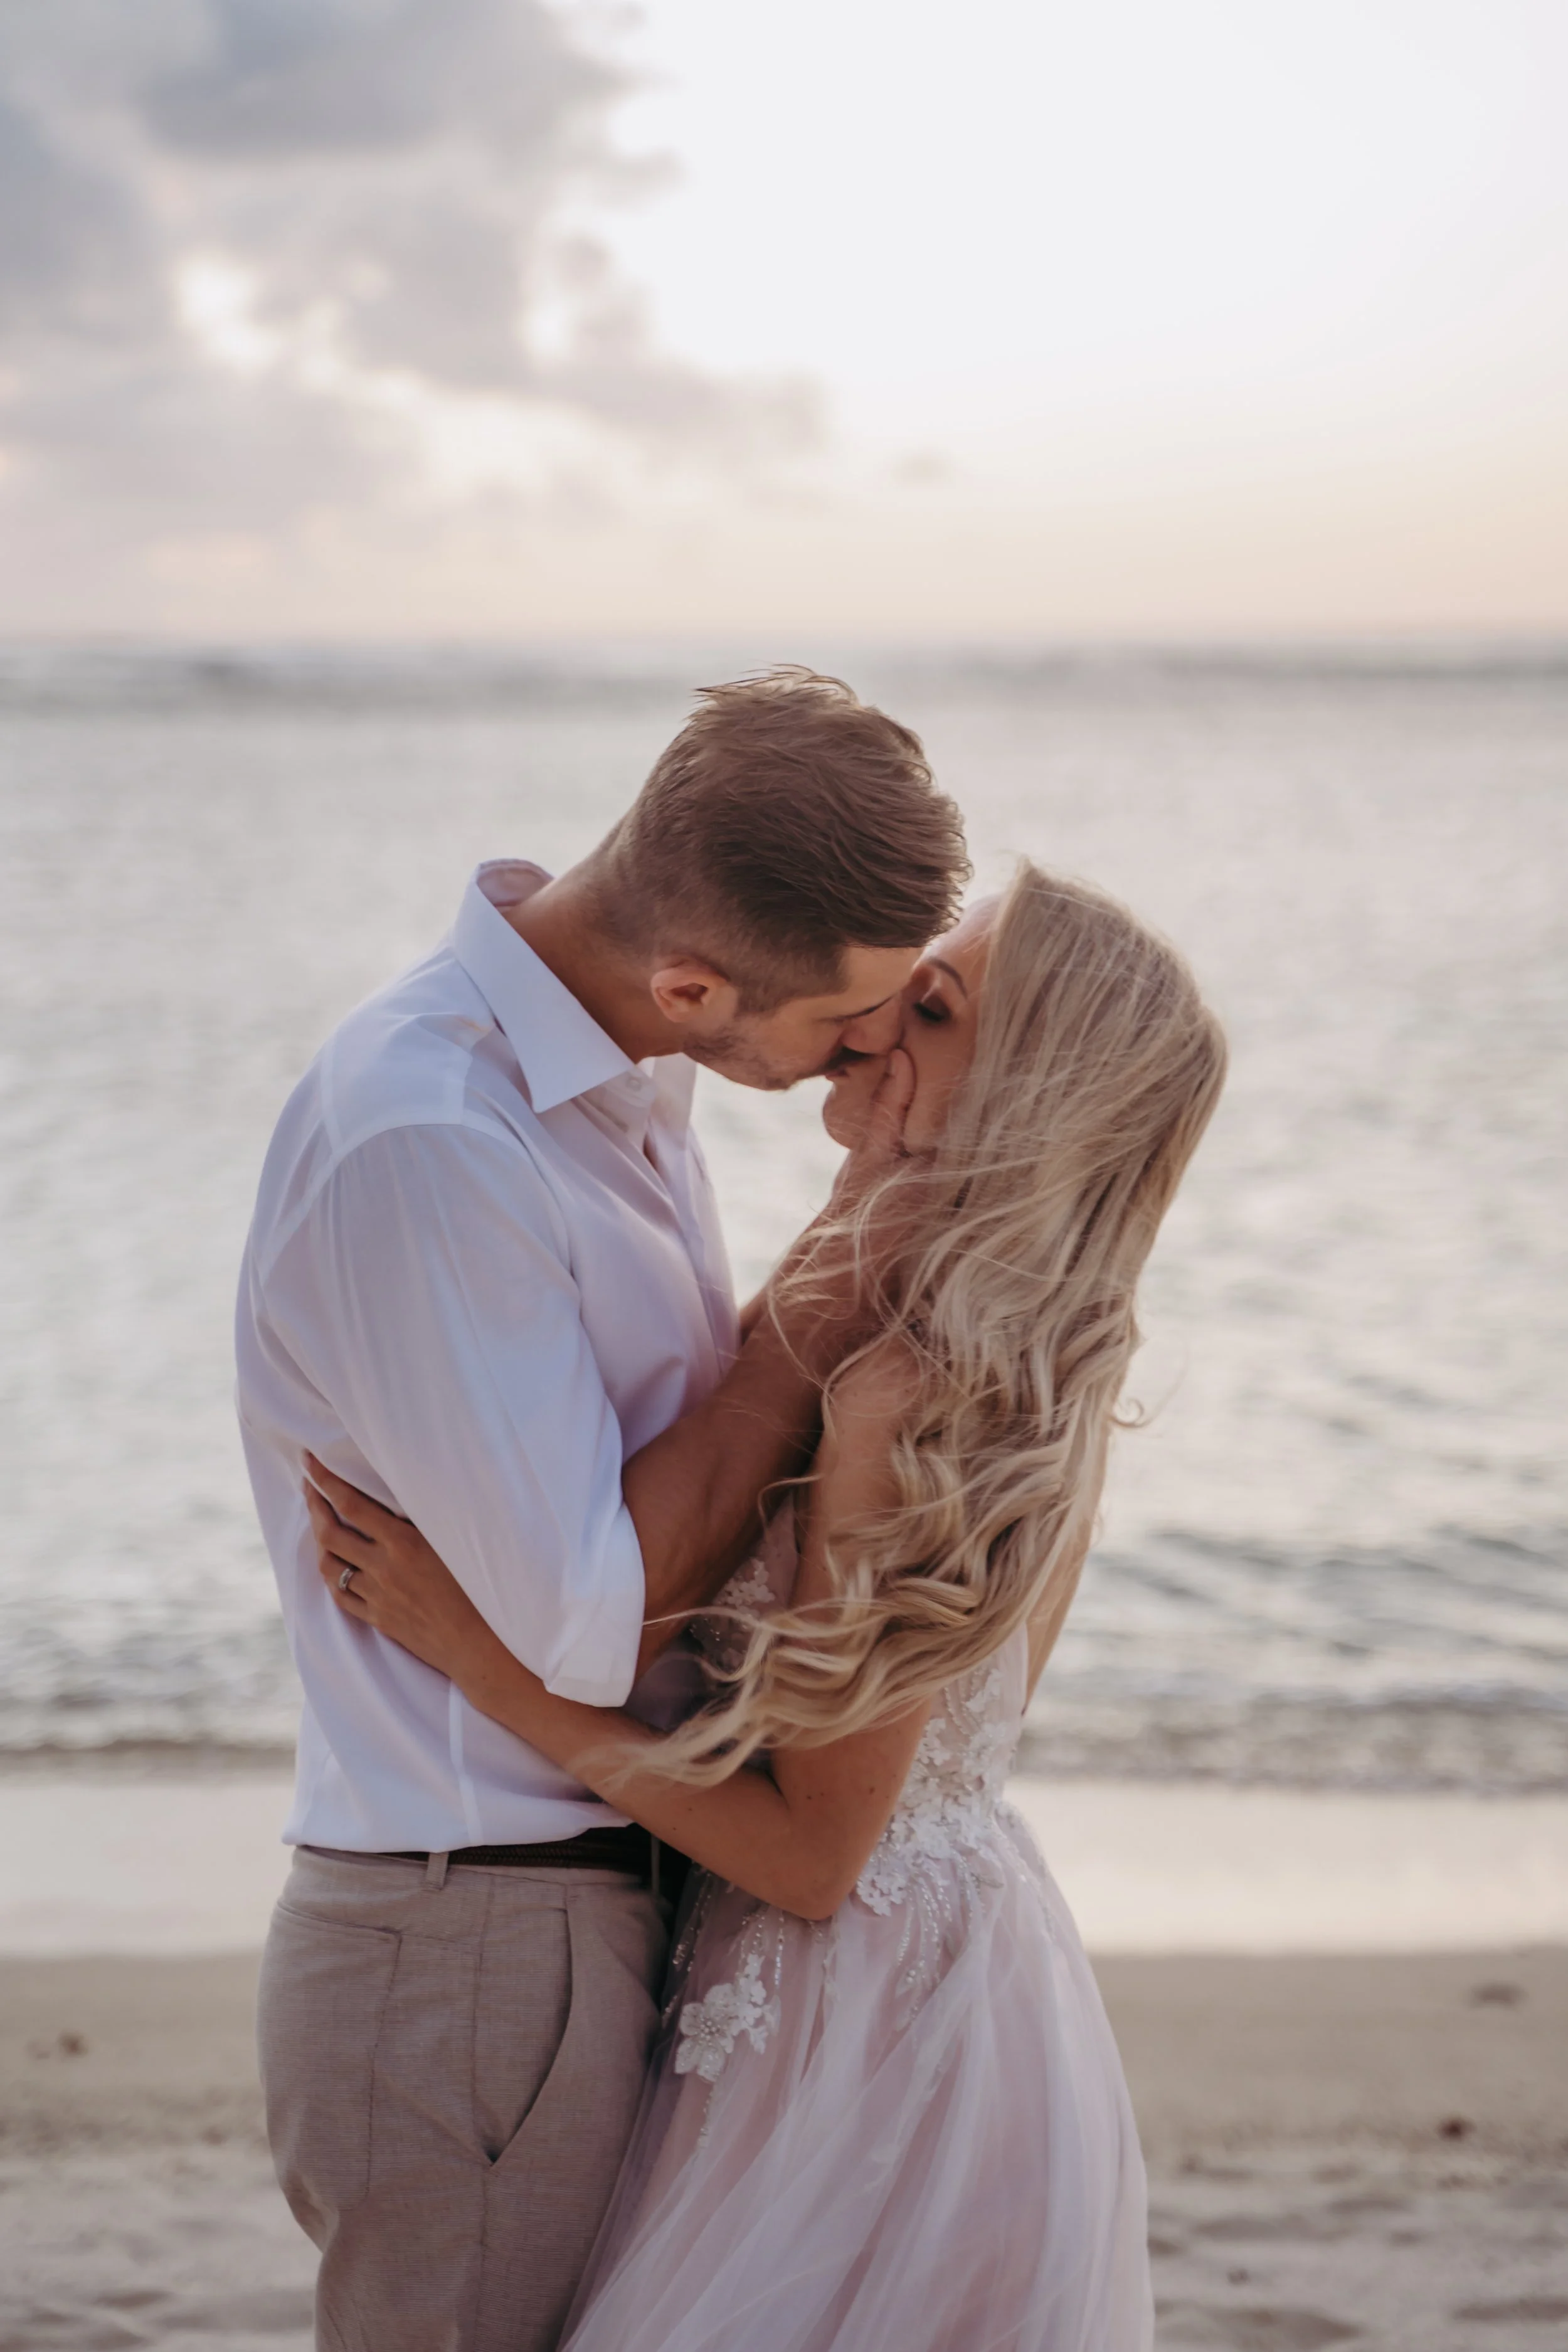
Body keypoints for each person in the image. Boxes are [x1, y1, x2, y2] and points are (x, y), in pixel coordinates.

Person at [303, 861, 1229, 2352]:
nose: (861, 1030)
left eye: (925, 1006)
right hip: (867, 1994)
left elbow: (812, 1856)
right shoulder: (941, 1321)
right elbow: (726, 1441)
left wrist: (478, 1657)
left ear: (1025, 1090)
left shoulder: (915, 1397)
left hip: (862, 2043)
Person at [235, 667, 970, 2352]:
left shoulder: (609, 1085)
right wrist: (812, 1305)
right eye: (838, 1021)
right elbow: (586, 1618)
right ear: (693, 976)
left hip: (572, 1902)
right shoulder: (434, 1140)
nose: (859, 1046)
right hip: (471, 1936)